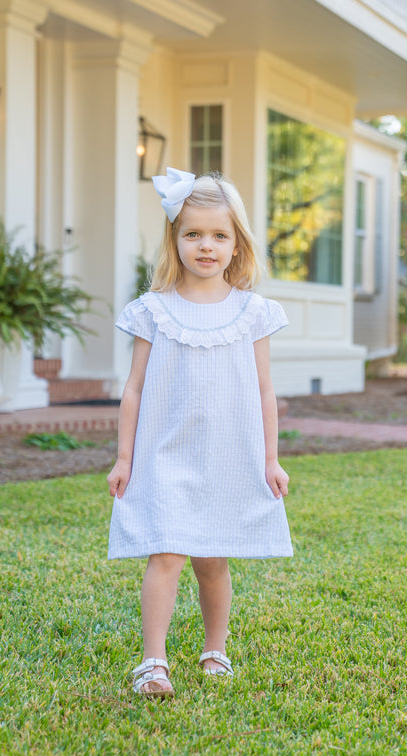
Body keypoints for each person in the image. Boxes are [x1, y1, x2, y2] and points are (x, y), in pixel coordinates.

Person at [107, 167, 292, 699]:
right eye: (193, 234)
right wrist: (125, 458)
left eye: (218, 235)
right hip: (165, 453)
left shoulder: (252, 312)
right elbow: (135, 389)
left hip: (228, 455)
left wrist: (270, 459)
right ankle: (154, 661)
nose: (205, 246)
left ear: (237, 245)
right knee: (166, 552)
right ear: (175, 240)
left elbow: (263, 391)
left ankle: (216, 648)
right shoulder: (154, 311)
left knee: (213, 556)